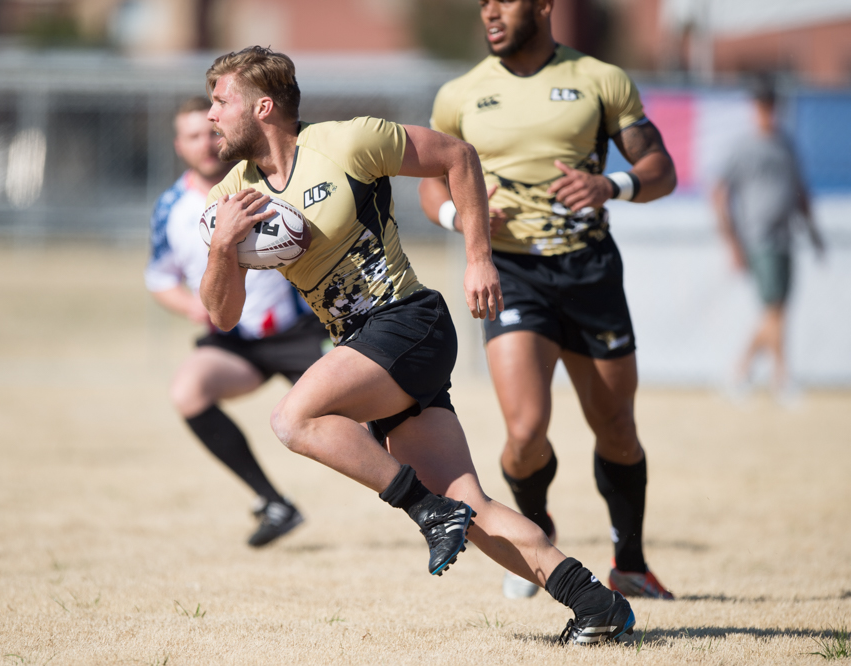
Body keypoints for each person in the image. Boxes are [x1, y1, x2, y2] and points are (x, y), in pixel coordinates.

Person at [201, 45, 637, 645]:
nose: (210, 116)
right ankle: (594, 603)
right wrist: (224, 247)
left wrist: (479, 258)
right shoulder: (232, 195)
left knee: (293, 418)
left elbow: (457, 155)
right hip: (366, 345)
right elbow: (221, 315)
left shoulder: (347, 143)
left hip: (409, 321)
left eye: (220, 101)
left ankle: (426, 511)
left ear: (264, 106)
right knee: (473, 506)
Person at [418, 0, 677, 601]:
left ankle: (630, 564)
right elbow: (433, 187)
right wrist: (464, 216)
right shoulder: (460, 93)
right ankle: (539, 533)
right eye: (482, 4)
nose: (489, 13)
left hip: (590, 272)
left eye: (502, 1)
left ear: (542, 6)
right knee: (526, 429)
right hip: (513, 274)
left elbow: (660, 169)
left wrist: (611, 184)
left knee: (616, 427)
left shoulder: (600, 80)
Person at [146, 97, 329, 547]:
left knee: (369, 421)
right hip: (234, 340)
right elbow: (159, 277)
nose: (206, 144)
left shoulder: (265, 182)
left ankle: (431, 503)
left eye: (210, 132)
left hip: (299, 331)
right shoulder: (171, 208)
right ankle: (274, 502)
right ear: (178, 145)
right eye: (192, 136)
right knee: (188, 390)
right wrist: (192, 306)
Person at [712, 77, 824, 399]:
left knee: (777, 311)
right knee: (774, 307)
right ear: (754, 108)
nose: (767, 112)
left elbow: (800, 192)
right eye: (762, 106)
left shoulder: (786, 144)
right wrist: (731, 241)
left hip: (786, 235)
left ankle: (741, 373)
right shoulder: (744, 146)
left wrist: (814, 234)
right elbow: (719, 191)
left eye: (772, 105)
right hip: (758, 237)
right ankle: (781, 378)